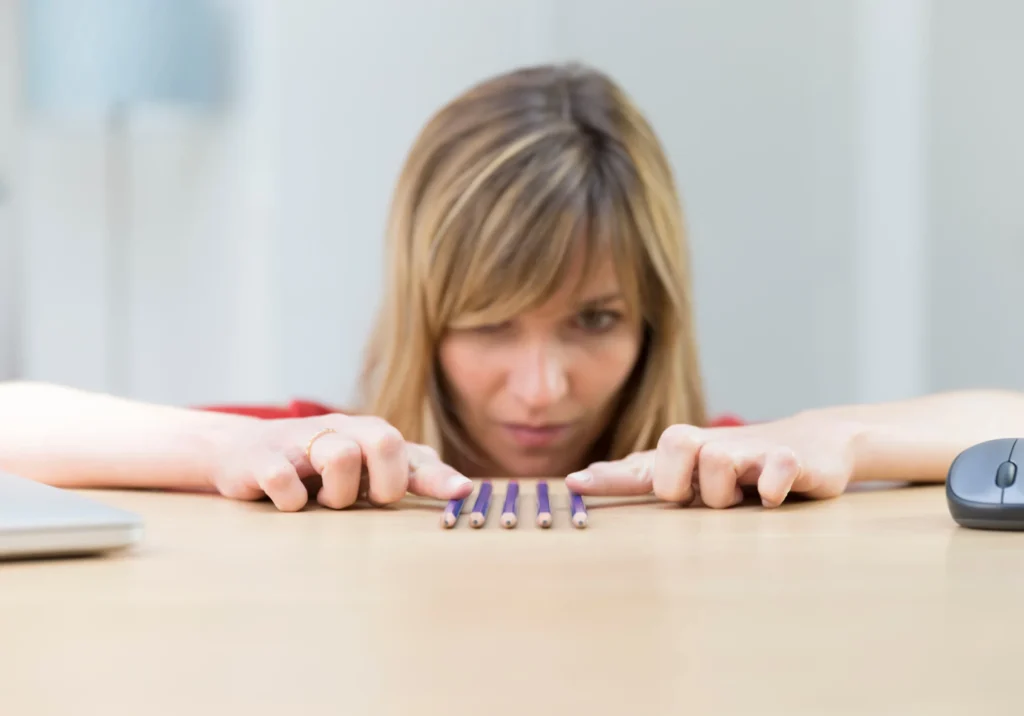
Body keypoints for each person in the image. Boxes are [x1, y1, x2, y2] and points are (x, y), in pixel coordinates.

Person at [2, 62, 1023, 513]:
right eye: (488, 323)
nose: (540, 386)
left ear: (653, 315)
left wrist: (837, 433)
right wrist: (226, 445)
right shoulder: (315, 459)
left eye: (594, 319)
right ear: (424, 312)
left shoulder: (728, 471)